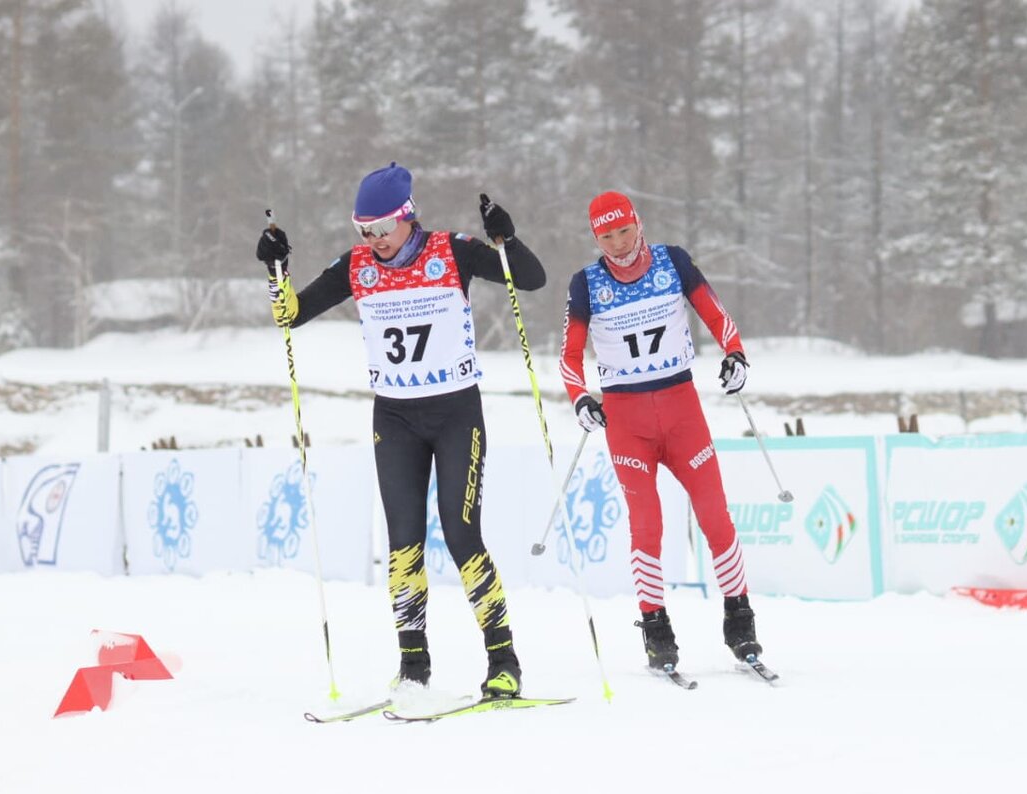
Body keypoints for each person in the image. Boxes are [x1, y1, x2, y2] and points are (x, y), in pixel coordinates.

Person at [255, 163, 546, 698]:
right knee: (403, 543)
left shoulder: (450, 250)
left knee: (461, 537)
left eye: (380, 229)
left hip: (456, 412)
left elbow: (529, 278)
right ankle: (414, 664)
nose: (372, 240)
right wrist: (276, 270)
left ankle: (504, 660)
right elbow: (290, 315)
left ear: (407, 217)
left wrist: (505, 237)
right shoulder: (357, 265)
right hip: (395, 417)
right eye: (362, 229)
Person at [558, 190, 761, 672]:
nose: (619, 244)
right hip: (627, 423)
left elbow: (716, 314)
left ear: (638, 223)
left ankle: (740, 622)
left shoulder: (672, 261)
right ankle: (656, 629)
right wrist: (581, 398)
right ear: (596, 238)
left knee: (715, 515)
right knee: (647, 525)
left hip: (681, 410)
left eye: (624, 231)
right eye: (606, 237)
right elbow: (569, 355)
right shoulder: (586, 284)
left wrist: (735, 354)